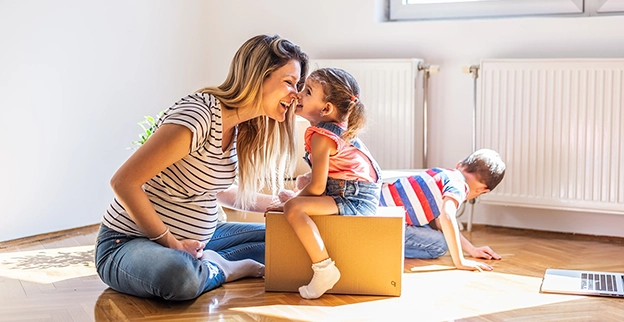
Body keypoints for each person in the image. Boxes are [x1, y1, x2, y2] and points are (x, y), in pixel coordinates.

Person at [94, 34, 309, 300]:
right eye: (289, 82)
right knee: (180, 277)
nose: (296, 94)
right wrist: (171, 244)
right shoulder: (199, 115)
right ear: (257, 77)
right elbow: (123, 182)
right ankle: (222, 268)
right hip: (129, 242)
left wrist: (286, 205)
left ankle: (207, 263)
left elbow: (219, 190)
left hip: (200, 242)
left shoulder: (239, 126)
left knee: (292, 239)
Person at [268, 67, 382, 299]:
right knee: (299, 194)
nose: (298, 94)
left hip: (355, 197)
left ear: (326, 108)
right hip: (354, 190)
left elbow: (319, 188)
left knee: (293, 207)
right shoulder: (334, 131)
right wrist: (305, 182)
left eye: (307, 91)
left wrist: (291, 203)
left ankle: (324, 269)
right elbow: (335, 172)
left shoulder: (322, 136)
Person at [379, 148, 506, 271]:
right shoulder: (460, 186)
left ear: (459, 165)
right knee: (439, 245)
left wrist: (472, 249)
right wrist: (460, 261)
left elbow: (441, 222)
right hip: (386, 222)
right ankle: (377, 247)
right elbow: (447, 217)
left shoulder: (441, 173)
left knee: (432, 229)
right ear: (482, 190)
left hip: (374, 210)